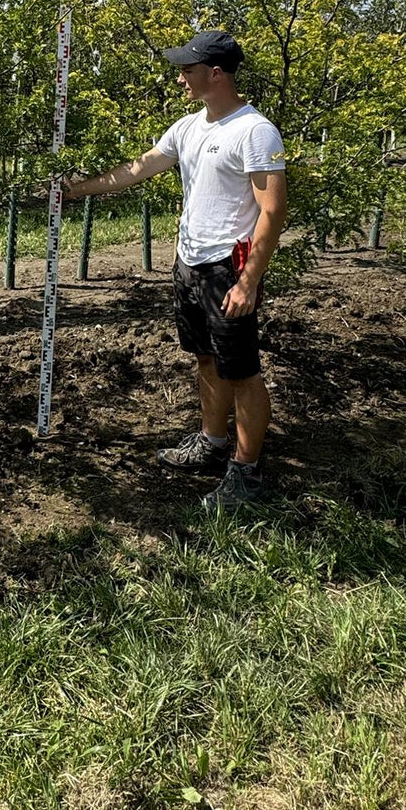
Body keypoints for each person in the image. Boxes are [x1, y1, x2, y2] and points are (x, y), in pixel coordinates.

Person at [64, 30, 287, 512]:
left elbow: (272, 211)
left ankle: (245, 475)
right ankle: (212, 441)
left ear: (218, 73)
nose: (181, 77)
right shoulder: (188, 127)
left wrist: (248, 281)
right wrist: (76, 190)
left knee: (243, 372)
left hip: (229, 268)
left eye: (189, 68)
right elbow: (139, 168)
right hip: (189, 264)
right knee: (205, 358)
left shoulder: (254, 131)